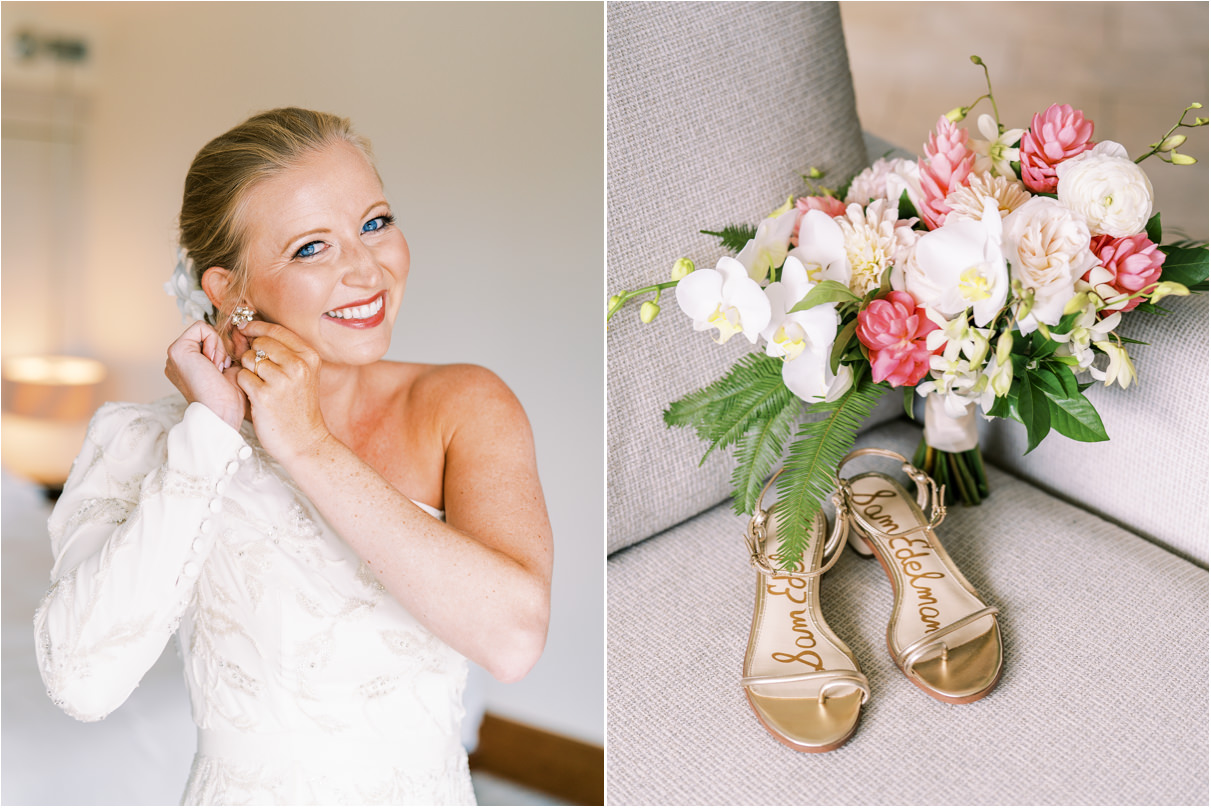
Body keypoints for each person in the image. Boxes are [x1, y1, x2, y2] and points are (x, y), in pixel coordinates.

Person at [33, 107, 553, 805]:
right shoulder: (143, 441)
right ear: (229, 291)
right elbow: (82, 682)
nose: (367, 268)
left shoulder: (462, 404)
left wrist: (305, 445)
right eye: (313, 247)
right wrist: (209, 435)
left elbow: (513, 641)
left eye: (374, 223)